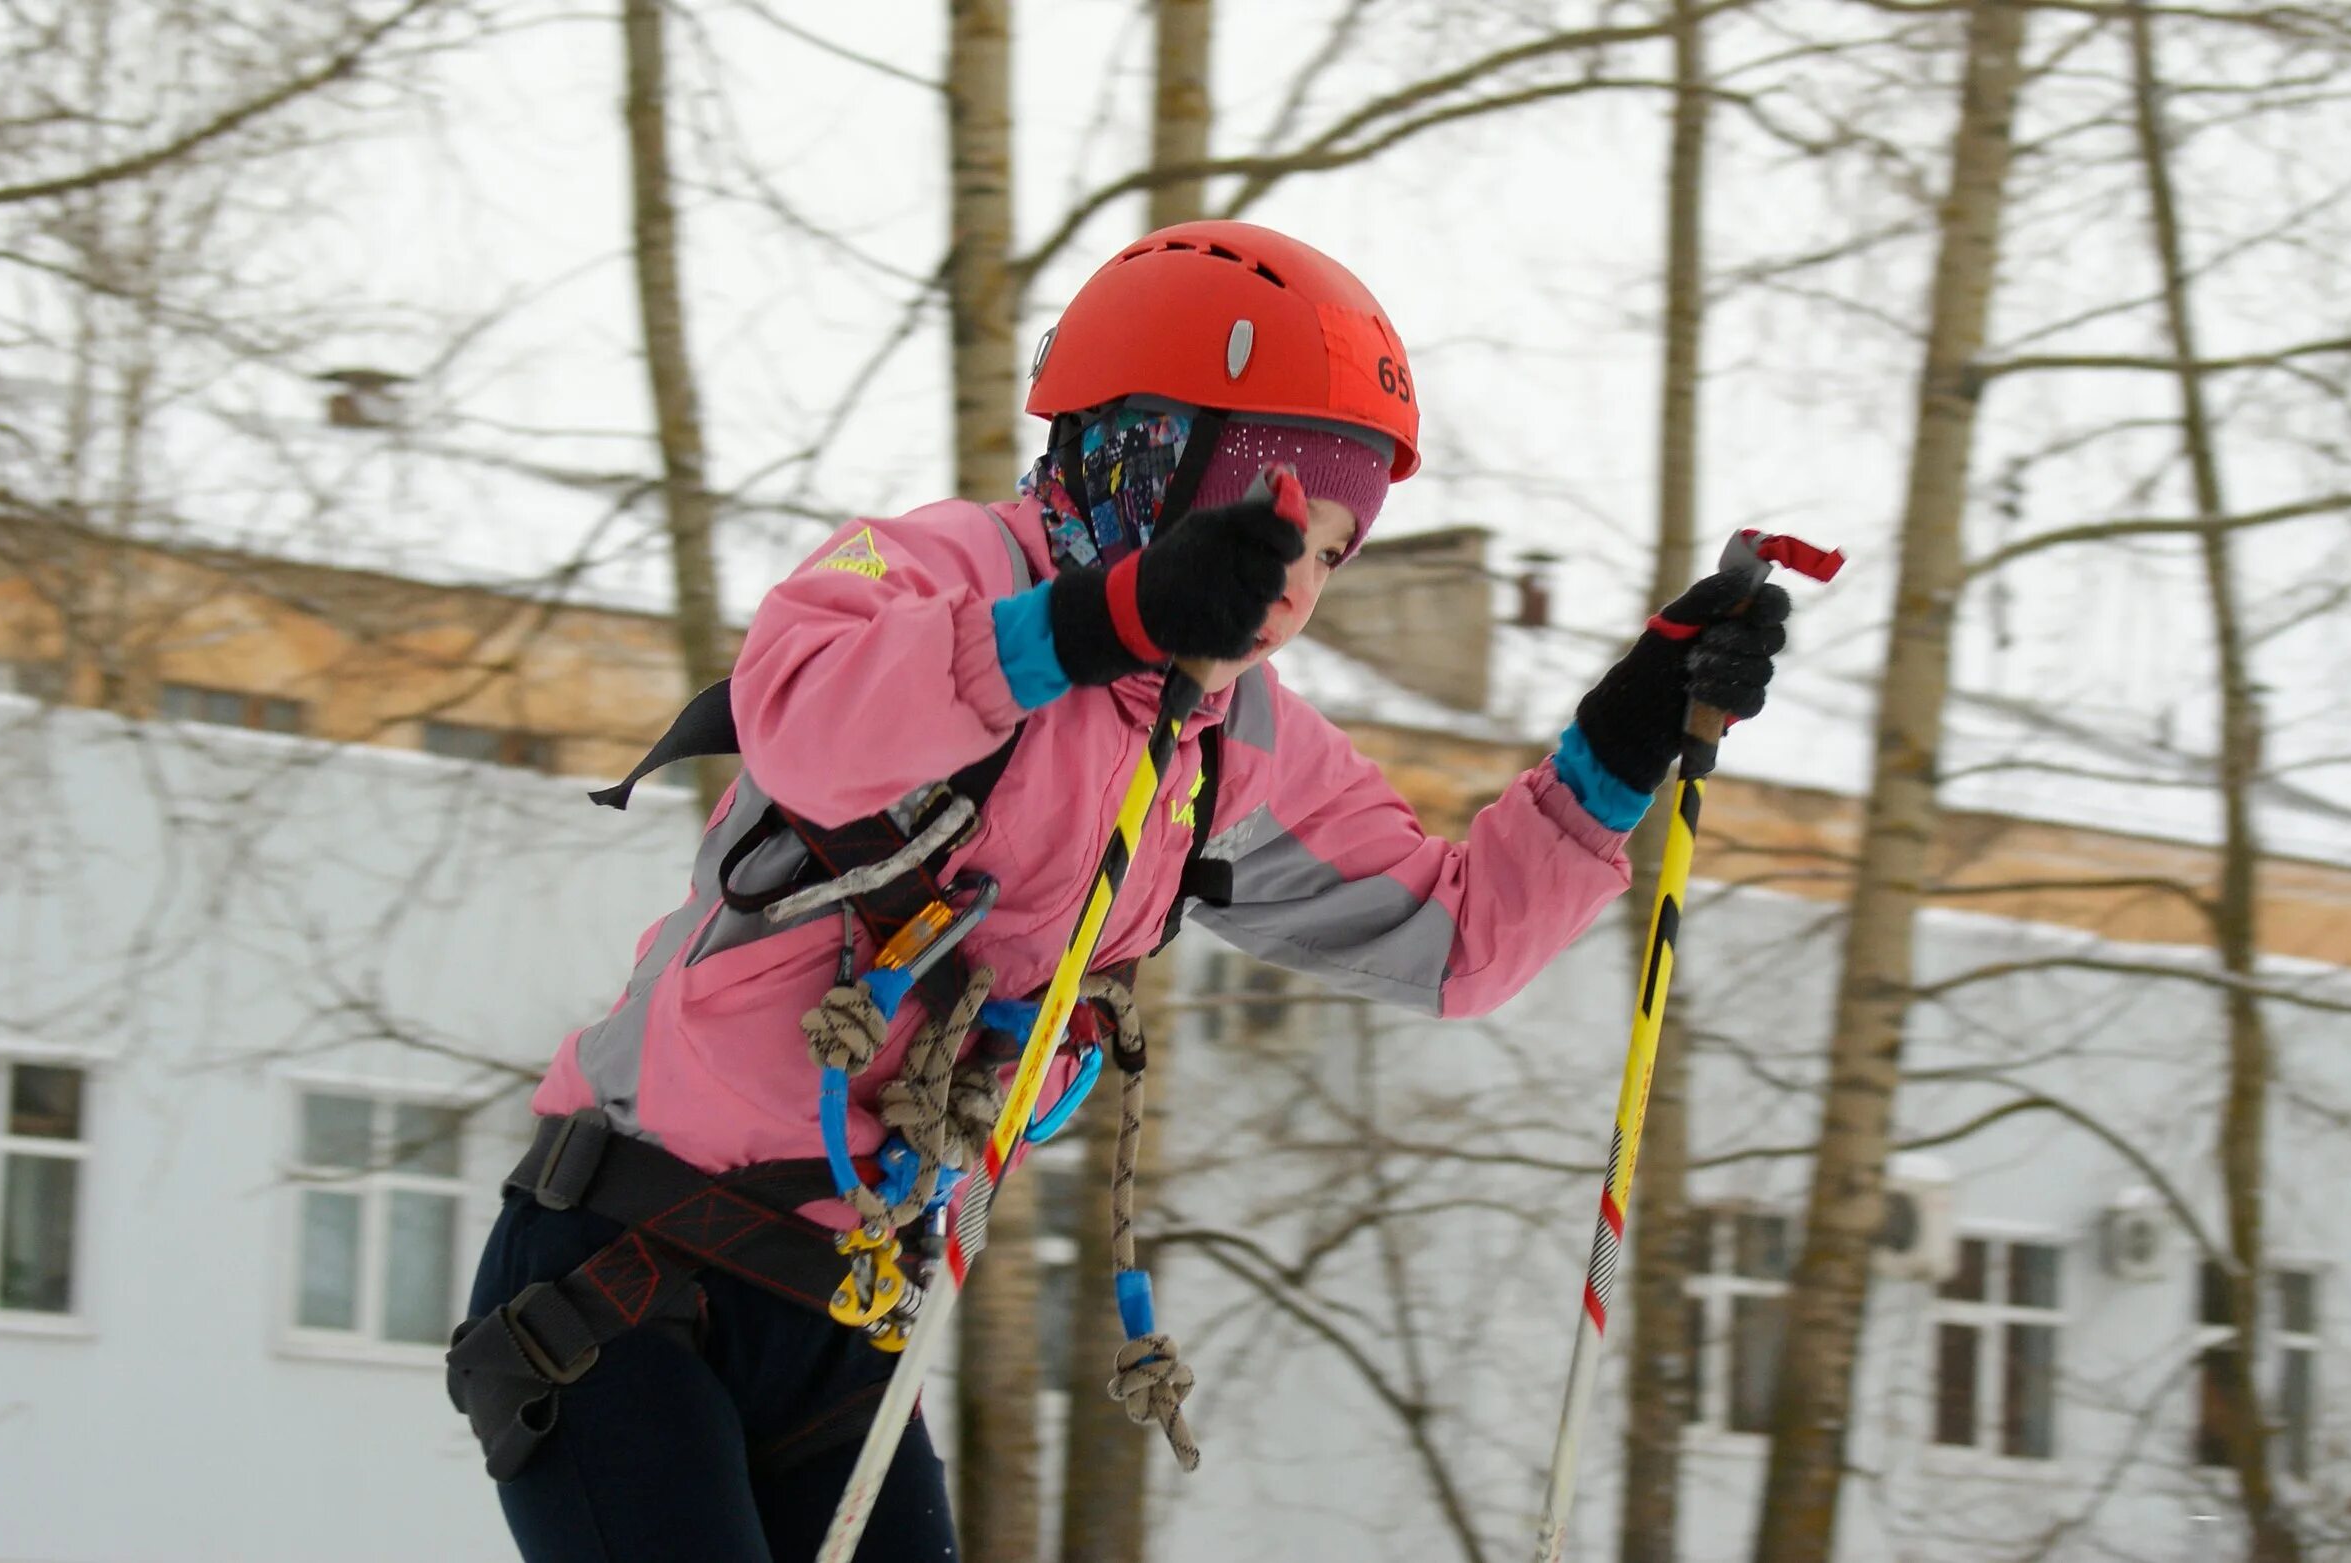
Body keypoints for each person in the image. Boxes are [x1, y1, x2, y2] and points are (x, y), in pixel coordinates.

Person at [445, 220, 1793, 1563]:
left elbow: (1453, 943)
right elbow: (801, 715)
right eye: (1271, 532)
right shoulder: (944, 573)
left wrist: (1623, 743)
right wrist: (1101, 621)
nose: (1292, 590)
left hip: (843, 1309)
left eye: (1329, 554)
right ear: (1144, 454)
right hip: (625, 1269)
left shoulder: (1229, 740)